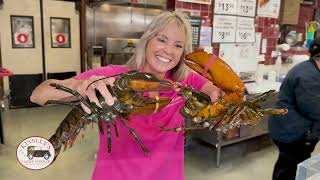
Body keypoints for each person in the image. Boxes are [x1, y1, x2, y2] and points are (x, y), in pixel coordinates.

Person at [30, 11, 224, 180]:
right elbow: (38, 95)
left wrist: (217, 96)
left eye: (178, 45)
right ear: (147, 39)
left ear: (183, 53)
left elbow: (212, 90)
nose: (168, 51)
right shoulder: (111, 76)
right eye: (162, 39)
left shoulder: (185, 81)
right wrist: (80, 85)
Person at [269, 38, 320, 180]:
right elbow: (314, 108)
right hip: (293, 131)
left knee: (292, 163)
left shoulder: (311, 68)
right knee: (290, 166)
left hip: (295, 129)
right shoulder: (308, 76)